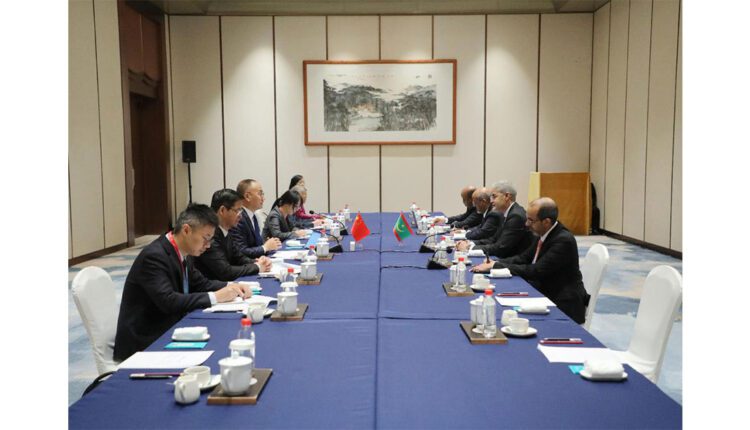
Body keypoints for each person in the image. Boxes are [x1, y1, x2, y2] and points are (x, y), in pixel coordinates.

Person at [114, 204, 254, 361]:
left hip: (171, 325)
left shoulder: (184, 251)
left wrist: (231, 286)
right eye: (206, 238)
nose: (208, 245)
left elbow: (201, 284)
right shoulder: (154, 256)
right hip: (147, 340)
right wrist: (216, 297)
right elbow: (168, 301)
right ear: (186, 230)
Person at [472, 197, 590, 323]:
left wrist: (497, 266)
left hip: (562, 302)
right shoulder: (544, 233)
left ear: (546, 222)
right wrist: (495, 263)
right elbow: (523, 258)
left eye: (531, 220)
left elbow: (536, 270)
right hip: (543, 289)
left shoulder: (563, 241)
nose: (526, 224)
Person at [195, 189, 273, 281]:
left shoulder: (226, 230)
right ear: (222, 210)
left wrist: (257, 262)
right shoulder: (209, 236)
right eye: (237, 210)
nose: (240, 215)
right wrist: (257, 267)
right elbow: (225, 272)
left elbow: (239, 257)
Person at [456, 181, 533, 258]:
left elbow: (501, 247)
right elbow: (493, 239)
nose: (491, 201)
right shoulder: (507, 213)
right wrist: (470, 244)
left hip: (510, 260)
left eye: (494, 196)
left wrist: (469, 248)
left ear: (507, 196)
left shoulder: (515, 216)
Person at [230, 179, 282, 258]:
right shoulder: (239, 218)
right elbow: (241, 251)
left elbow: (255, 245)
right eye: (260, 194)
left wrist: (269, 245)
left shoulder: (253, 215)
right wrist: (265, 247)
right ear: (247, 196)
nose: (263, 198)